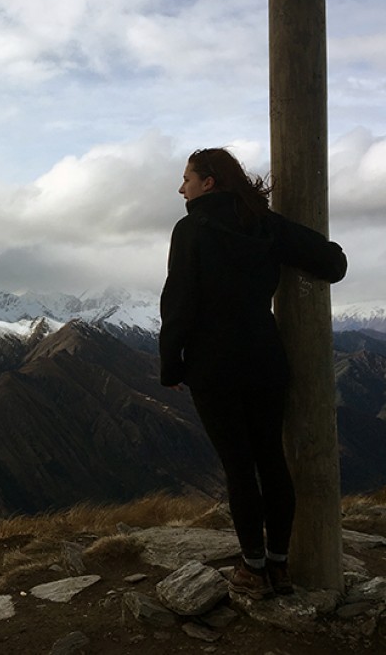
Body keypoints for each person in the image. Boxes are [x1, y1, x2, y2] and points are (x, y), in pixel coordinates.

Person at [159, 147, 347, 600]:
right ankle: (279, 566)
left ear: (209, 182)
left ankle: (252, 568)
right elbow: (333, 264)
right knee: (271, 459)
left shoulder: (191, 230)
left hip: (213, 365)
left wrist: (172, 365)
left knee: (239, 468)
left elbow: (179, 302)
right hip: (266, 359)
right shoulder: (265, 225)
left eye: (186, 178)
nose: (179, 187)